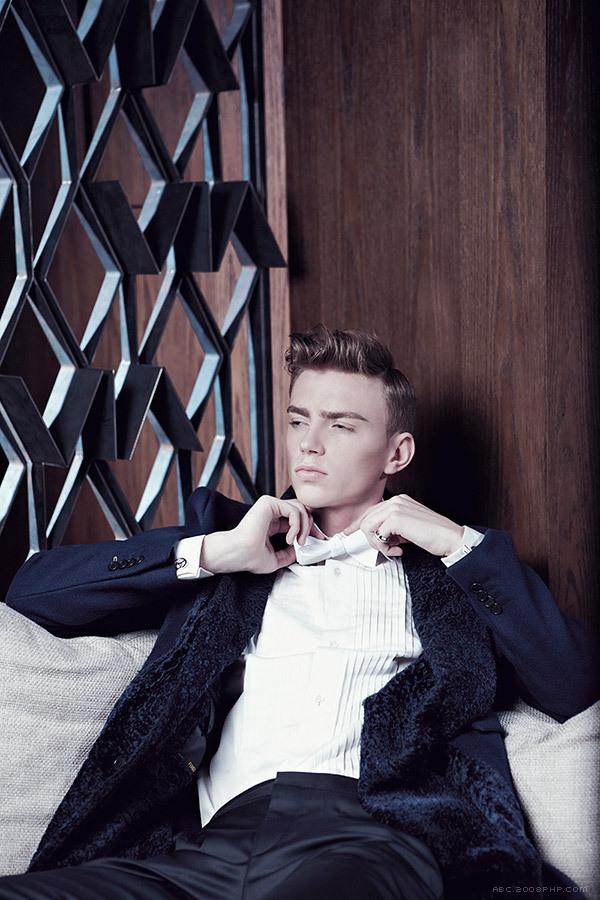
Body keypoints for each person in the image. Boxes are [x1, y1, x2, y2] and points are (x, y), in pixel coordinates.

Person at [1, 324, 598, 900]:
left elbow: (573, 684)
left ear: (397, 453)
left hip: (370, 838)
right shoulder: (234, 545)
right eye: (297, 420)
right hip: (208, 852)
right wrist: (219, 552)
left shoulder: (453, 576)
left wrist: (457, 543)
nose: (309, 443)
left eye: (340, 425)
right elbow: (31, 595)